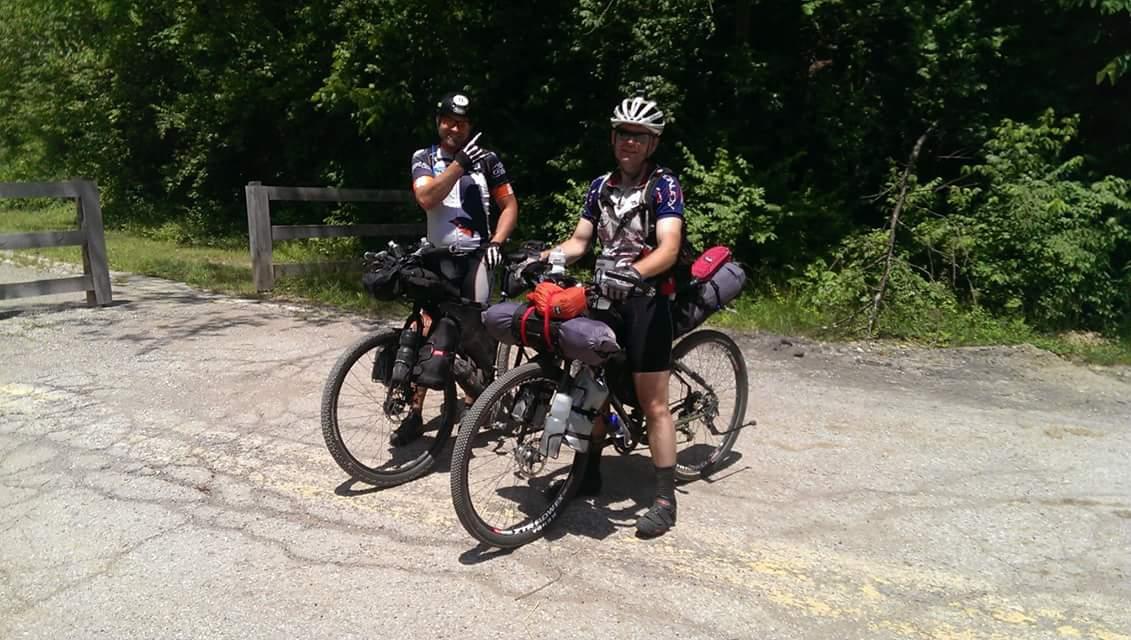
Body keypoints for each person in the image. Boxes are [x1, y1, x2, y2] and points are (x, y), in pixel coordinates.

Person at [540, 96, 683, 537]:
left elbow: (669, 247)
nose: (629, 142)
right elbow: (580, 241)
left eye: (638, 136)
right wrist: (542, 257)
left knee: (652, 401)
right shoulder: (600, 186)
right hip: (604, 298)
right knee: (592, 383)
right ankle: (590, 473)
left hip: (647, 301)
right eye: (622, 133)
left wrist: (634, 272)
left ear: (652, 143)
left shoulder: (664, 186)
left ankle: (664, 497)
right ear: (613, 137)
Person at [393, 91, 519, 445]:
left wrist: (497, 241)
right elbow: (427, 198)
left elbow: (509, 205)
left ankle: (472, 404)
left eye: (462, 122)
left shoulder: (488, 159)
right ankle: (413, 411)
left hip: (476, 256)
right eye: (449, 120)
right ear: (438, 122)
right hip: (437, 256)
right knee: (425, 328)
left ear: (470, 126)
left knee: (474, 331)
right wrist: (459, 164)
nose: (454, 127)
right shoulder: (425, 157)